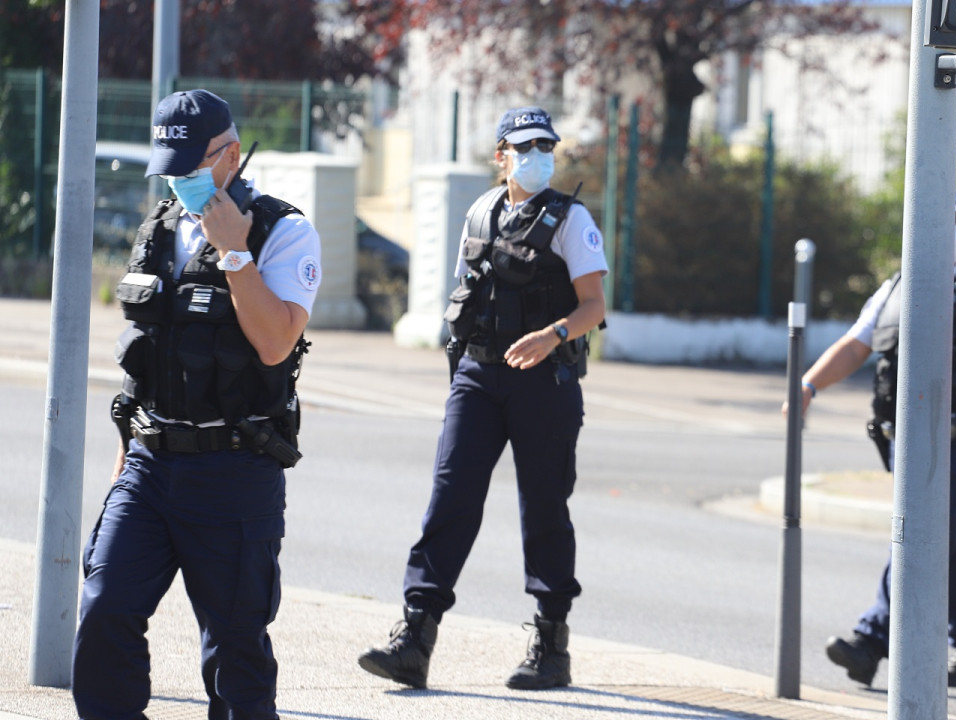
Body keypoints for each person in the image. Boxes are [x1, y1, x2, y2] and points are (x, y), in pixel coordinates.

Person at [72, 89, 321, 720]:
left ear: (232, 155)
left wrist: (235, 250)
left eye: (192, 166)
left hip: (233, 472)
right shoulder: (159, 226)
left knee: (235, 653)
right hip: (149, 465)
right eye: (171, 168)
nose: (179, 181)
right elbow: (145, 359)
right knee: (104, 610)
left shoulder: (284, 231)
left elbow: (272, 345)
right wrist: (124, 456)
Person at [357, 106, 608, 691]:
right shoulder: (480, 211)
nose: (537, 155)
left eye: (546, 145)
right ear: (501, 156)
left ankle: (551, 646)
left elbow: (593, 306)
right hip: (478, 374)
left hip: (543, 381)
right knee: (451, 498)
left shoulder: (570, 219)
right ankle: (415, 638)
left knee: (544, 506)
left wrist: (554, 336)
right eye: (524, 147)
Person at [785, 193, 956, 688]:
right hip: (915, 438)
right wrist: (808, 384)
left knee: (926, 533)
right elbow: (858, 343)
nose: (940, 231)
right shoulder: (900, 286)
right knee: (931, 533)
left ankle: (871, 639)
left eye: (951, 221)